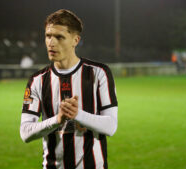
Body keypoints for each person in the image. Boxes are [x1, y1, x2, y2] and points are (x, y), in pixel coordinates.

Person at [20, 9, 118, 169]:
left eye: (59, 37)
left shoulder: (99, 73)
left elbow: (111, 126)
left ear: (75, 40)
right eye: (48, 36)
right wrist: (57, 120)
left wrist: (77, 114)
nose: (51, 42)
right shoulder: (37, 80)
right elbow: (25, 132)